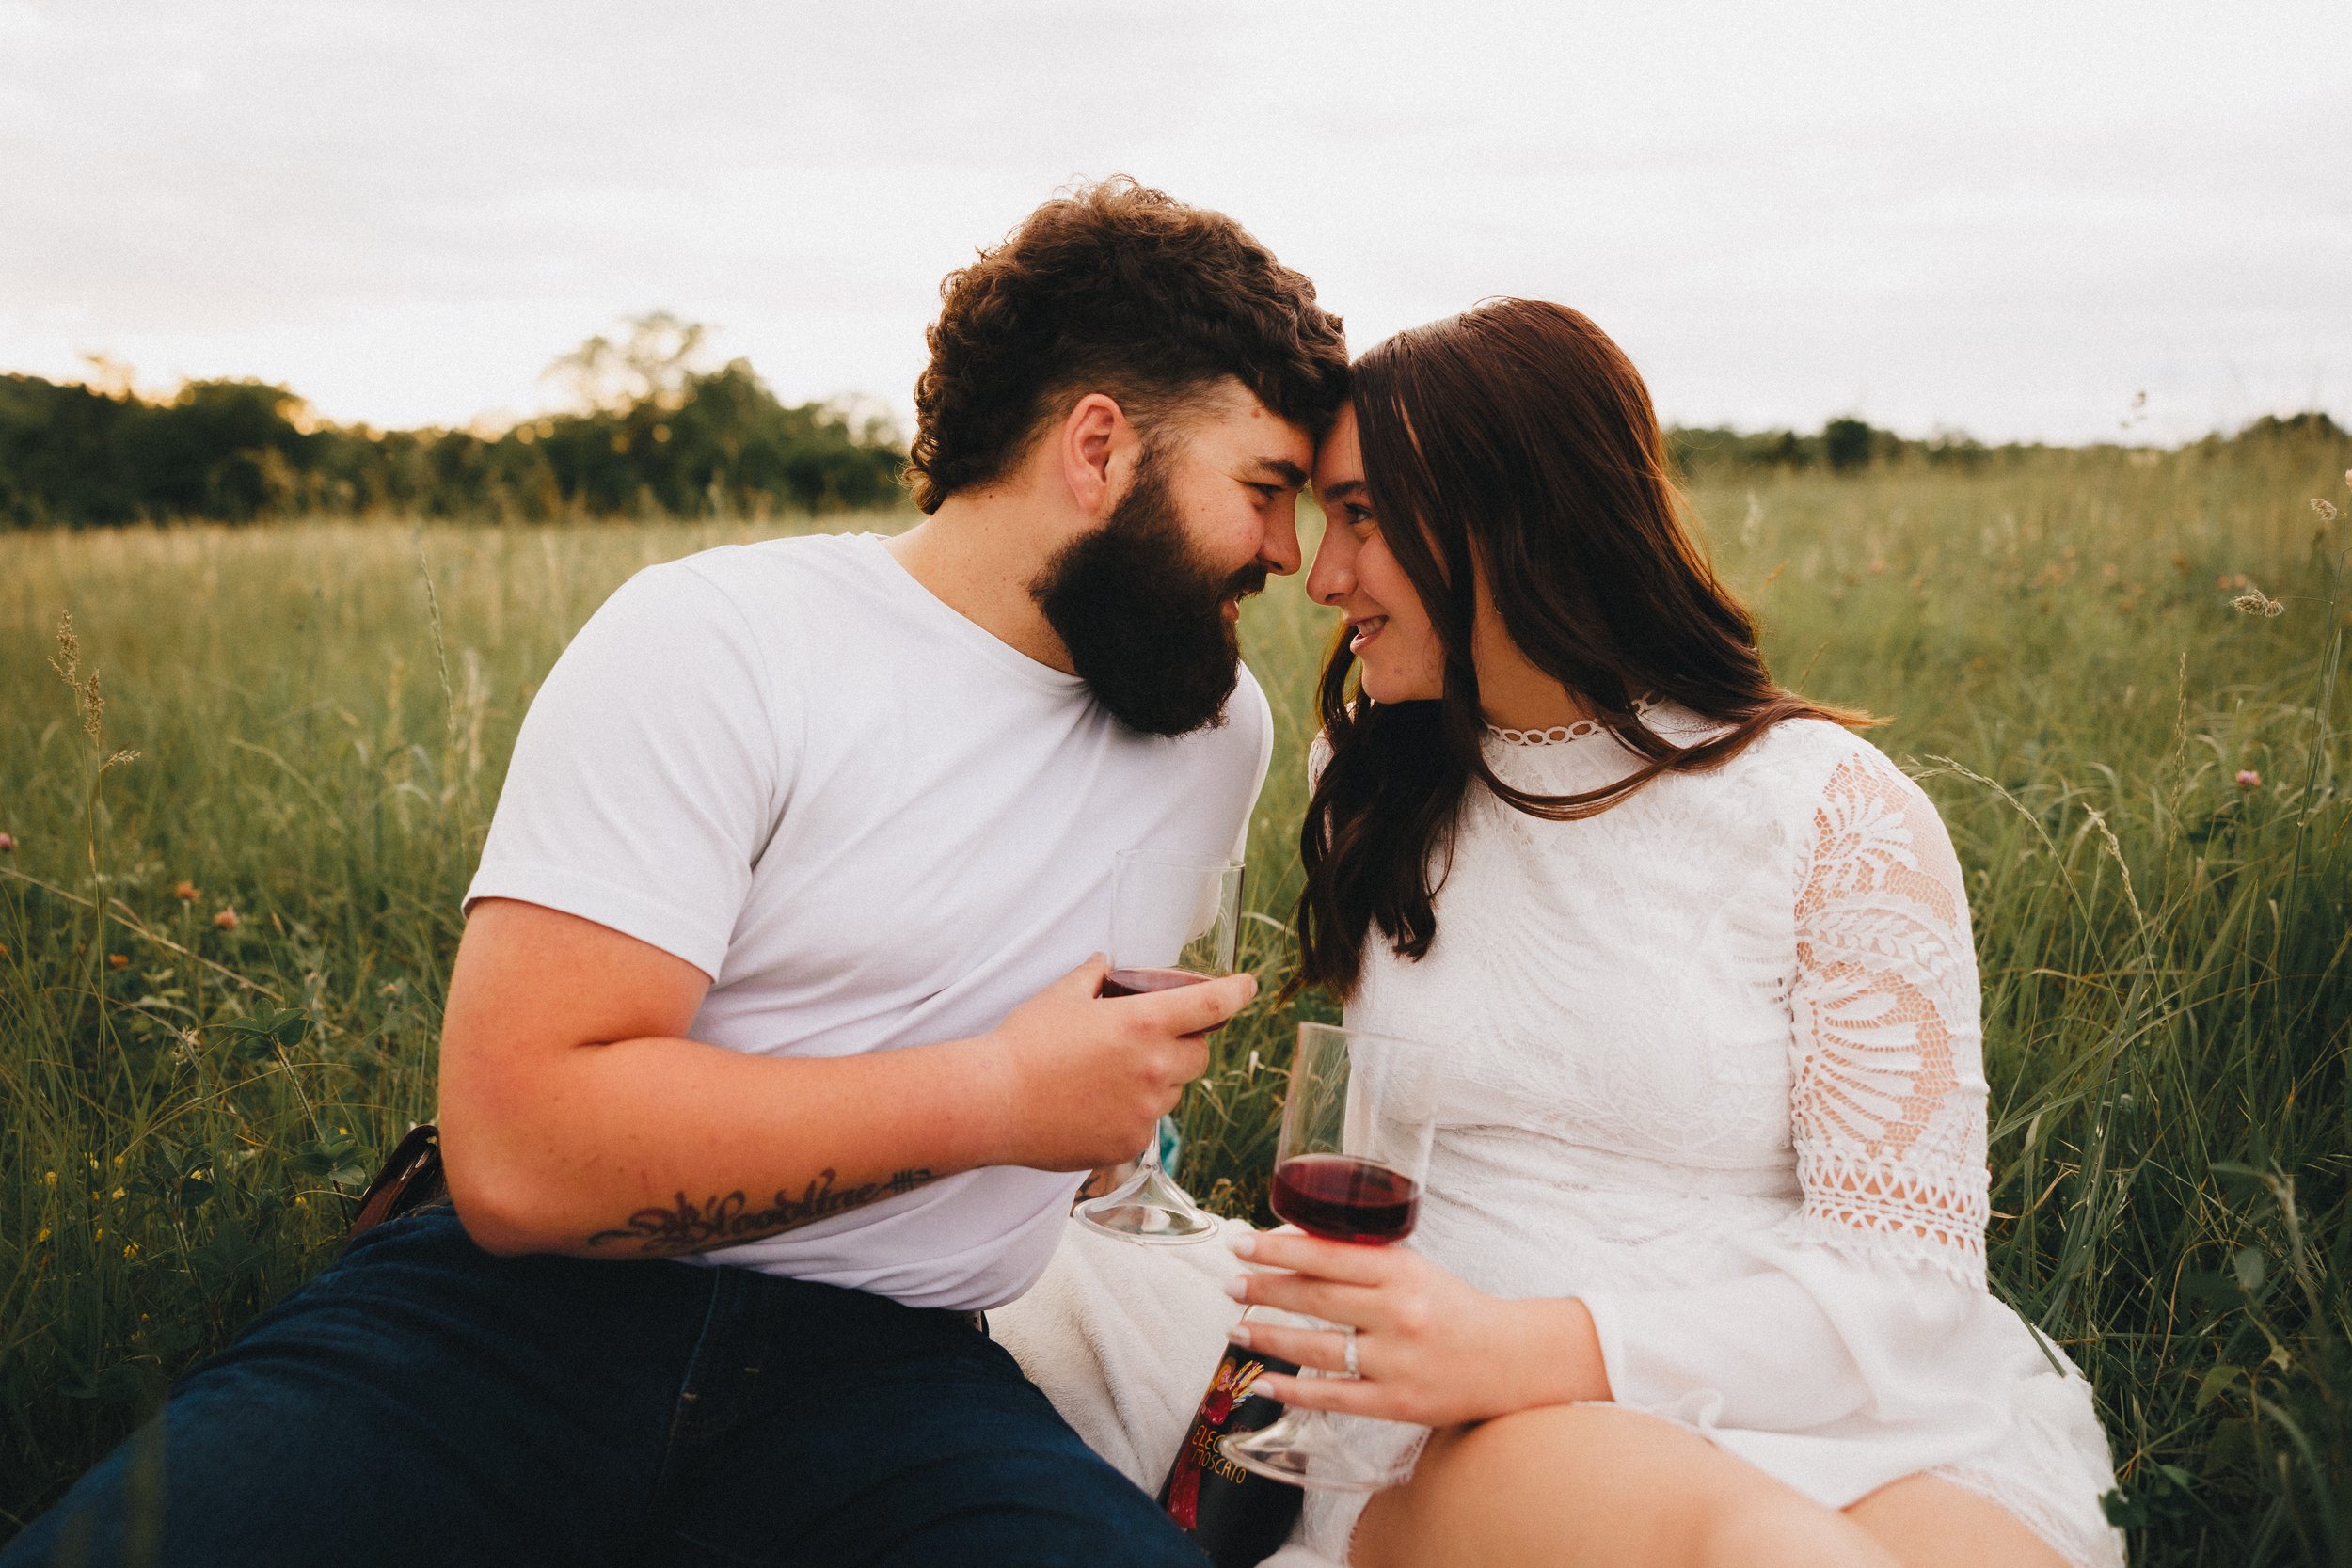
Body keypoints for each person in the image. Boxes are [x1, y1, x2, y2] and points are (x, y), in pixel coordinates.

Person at [2, 177, 1348, 1568]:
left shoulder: (1215, 733)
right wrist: (998, 1094)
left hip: (897, 1388)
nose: (1289, 558)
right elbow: (521, 1152)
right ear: (1098, 448)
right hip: (511, 1335)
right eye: (1264, 491)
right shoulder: (722, 641)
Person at [1220, 298, 2127, 1568]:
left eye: (1362, 517)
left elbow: (1912, 1296)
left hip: (1825, 1395)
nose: (1322, 575)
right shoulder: (1371, 779)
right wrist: (1488, 1353)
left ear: (1514, 515)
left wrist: (1533, 1342)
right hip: (1474, 1419)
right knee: (1749, 1549)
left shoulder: (1832, 811)